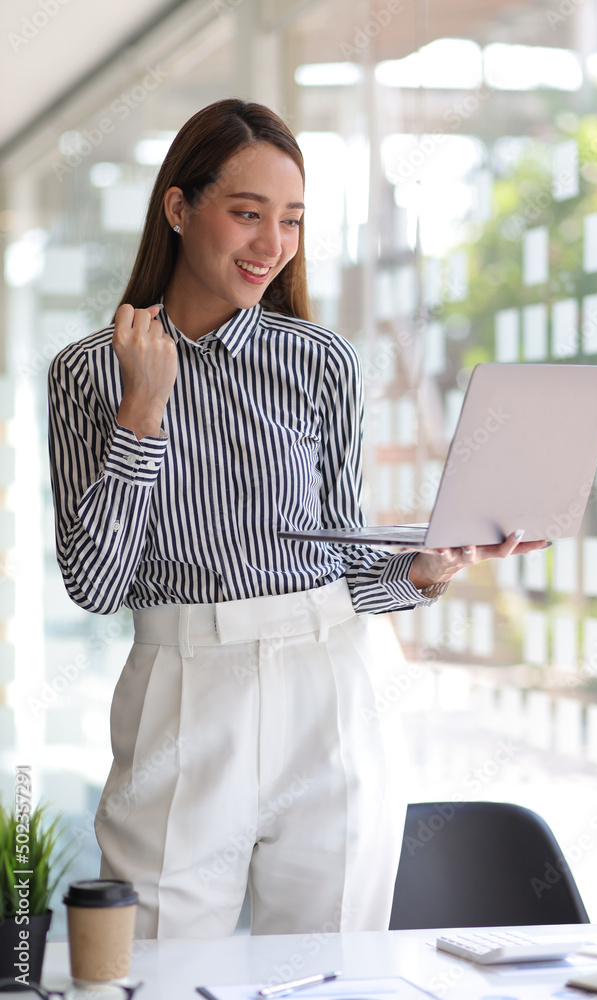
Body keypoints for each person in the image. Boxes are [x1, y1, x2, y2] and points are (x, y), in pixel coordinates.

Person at [48, 99, 547, 940]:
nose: (271, 244)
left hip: (333, 680)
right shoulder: (87, 374)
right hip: (183, 687)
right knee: (155, 966)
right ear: (179, 208)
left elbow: (341, 557)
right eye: (246, 214)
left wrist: (425, 568)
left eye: (291, 220)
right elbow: (94, 585)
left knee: (335, 965)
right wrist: (143, 413)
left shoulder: (321, 363)